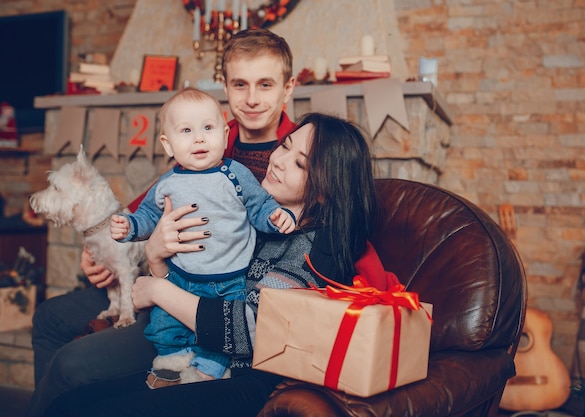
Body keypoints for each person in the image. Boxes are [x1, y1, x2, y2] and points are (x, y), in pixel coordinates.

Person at [27, 27, 296, 417]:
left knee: (73, 365)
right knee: (49, 317)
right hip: (165, 274)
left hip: (209, 296)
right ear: (224, 86)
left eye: (265, 84)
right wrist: (109, 244)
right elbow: (147, 205)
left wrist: (157, 271)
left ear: (288, 88)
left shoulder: (294, 155)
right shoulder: (207, 138)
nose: (252, 99)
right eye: (240, 84)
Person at [45, 112, 378, 417]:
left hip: (244, 379)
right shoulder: (261, 217)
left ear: (325, 191)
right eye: (285, 146)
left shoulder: (313, 246)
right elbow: (199, 278)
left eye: (300, 164)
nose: (278, 161)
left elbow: (255, 328)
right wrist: (157, 261)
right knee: (69, 403)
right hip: (193, 351)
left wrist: (159, 290)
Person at [110, 87, 295, 388]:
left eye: (208, 129)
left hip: (229, 280)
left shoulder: (236, 174)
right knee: (161, 327)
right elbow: (147, 217)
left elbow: (260, 206)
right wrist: (129, 227)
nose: (198, 138)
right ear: (168, 145)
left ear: (224, 135)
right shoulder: (168, 183)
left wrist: (275, 218)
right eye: (186, 131)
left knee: (218, 338)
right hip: (180, 276)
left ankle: (210, 369)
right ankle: (175, 362)